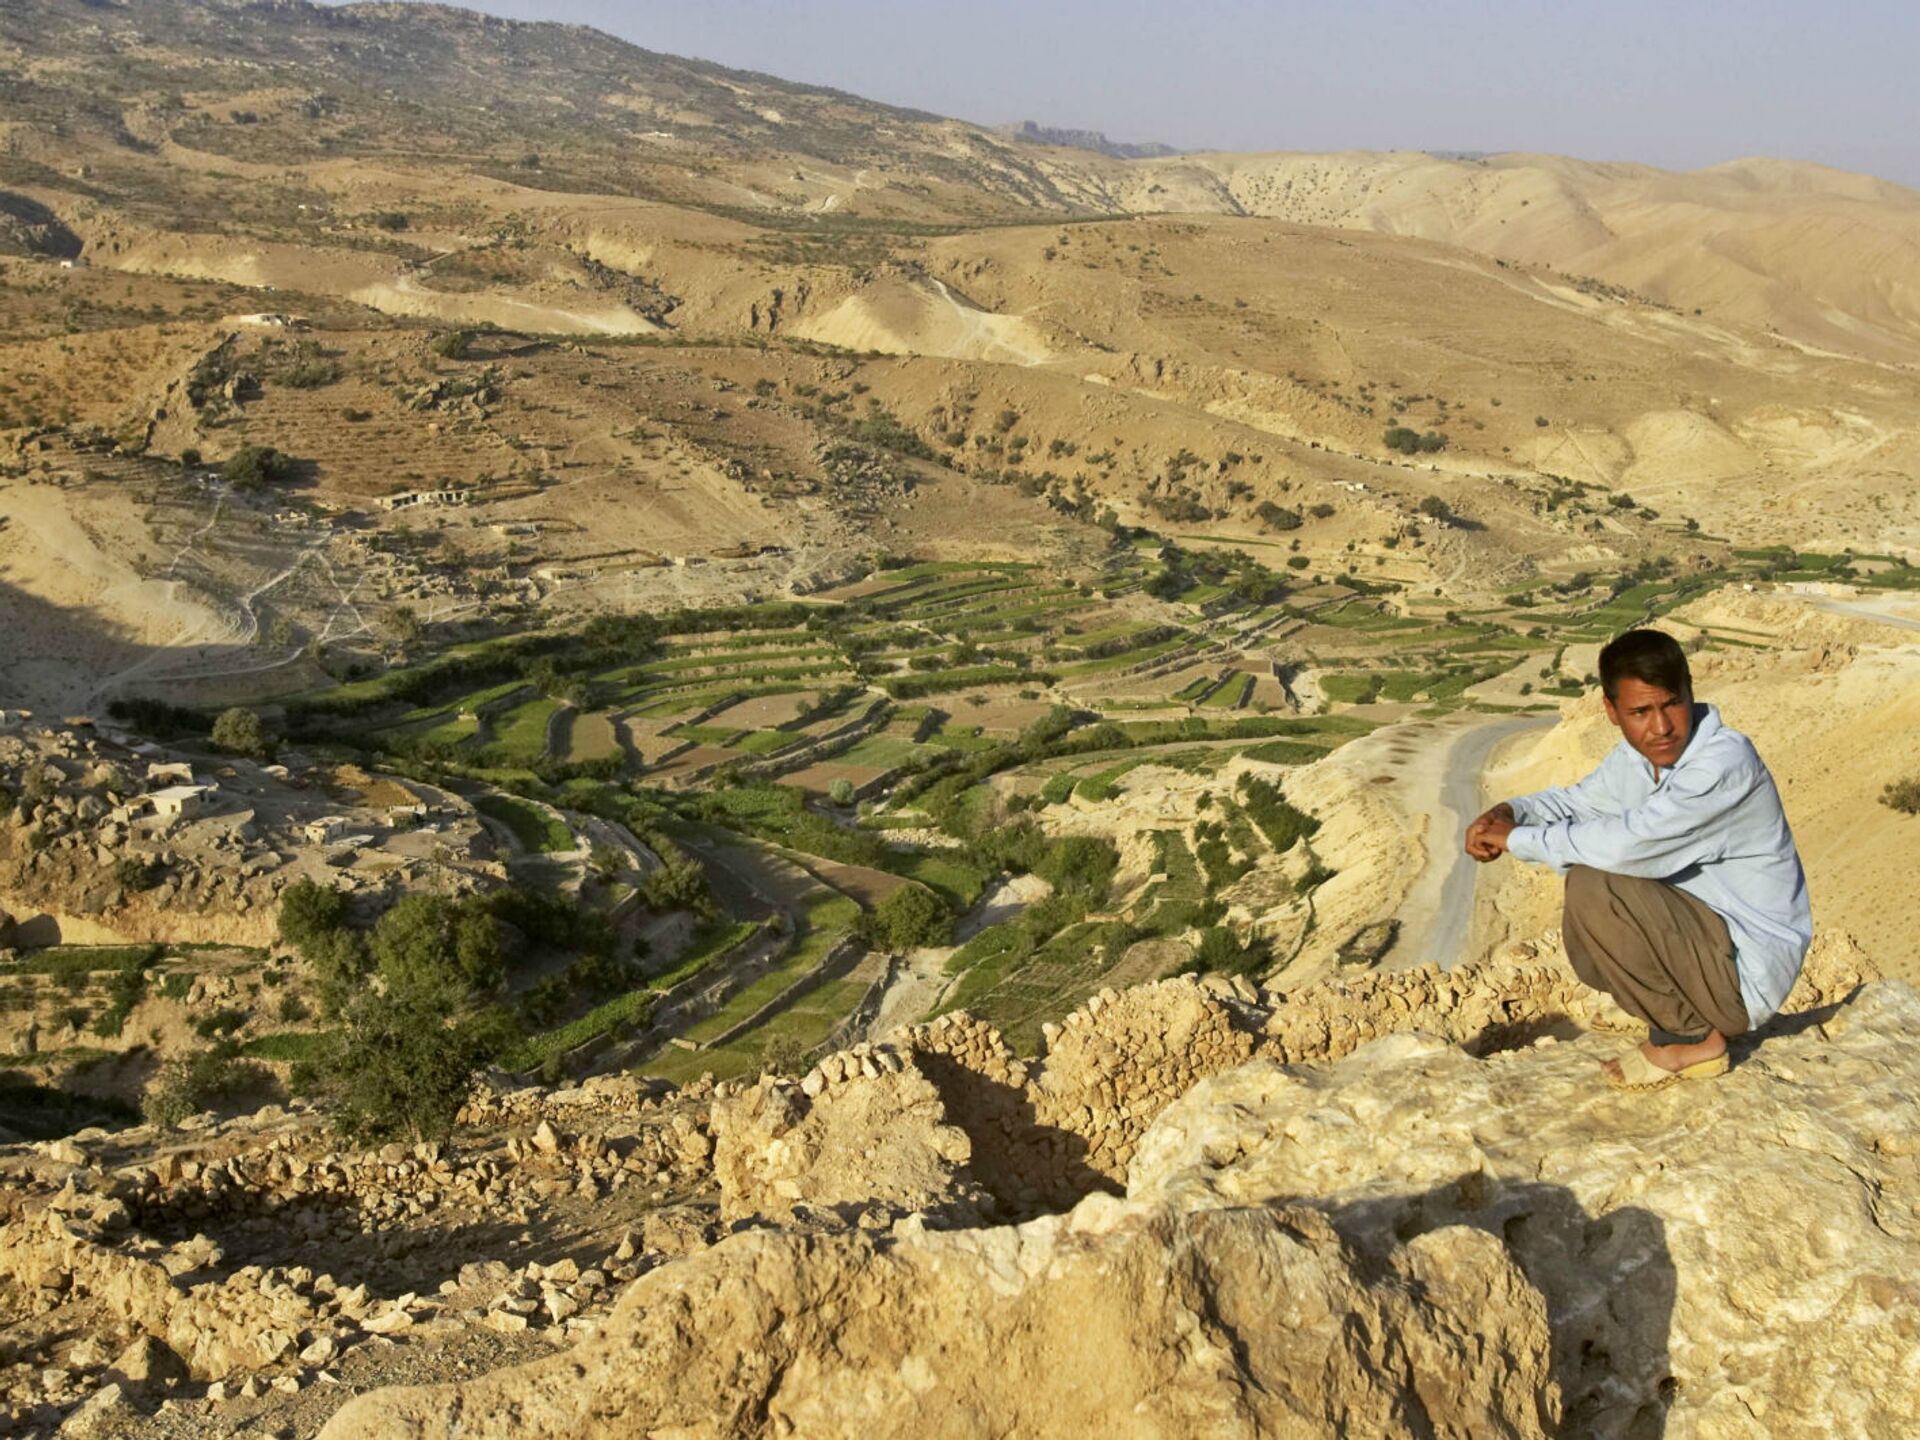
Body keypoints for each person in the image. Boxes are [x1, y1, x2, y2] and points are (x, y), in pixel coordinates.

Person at [1464, 629, 1811, 1089]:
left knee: (1597, 884)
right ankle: (1677, 1016)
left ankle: (1688, 1039)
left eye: (1671, 704)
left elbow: (1631, 844)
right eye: (1641, 712)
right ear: (1611, 711)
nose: (1661, 726)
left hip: (1743, 974)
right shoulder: (1636, 760)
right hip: (1706, 948)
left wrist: (1518, 840)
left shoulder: (1723, 763)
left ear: (1690, 691)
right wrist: (1511, 812)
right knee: (1590, 904)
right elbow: (1580, 803)